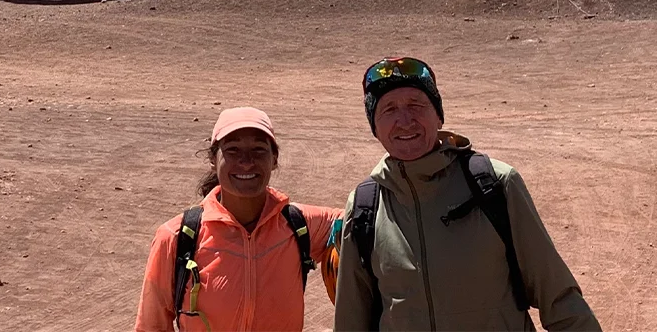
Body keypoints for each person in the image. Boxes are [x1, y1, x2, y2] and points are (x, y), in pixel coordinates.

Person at [334, 57, 601, 331]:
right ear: (374, 127)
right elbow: (351, 320)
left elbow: (559, 298)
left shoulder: (495, 184)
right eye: (389, 109)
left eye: (416, 104)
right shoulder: (365, 205)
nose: (405, 120)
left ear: (438, 115)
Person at [135, 107, 342, 331]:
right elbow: (151, 326)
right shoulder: (177, 238)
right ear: (213, 159)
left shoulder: (299, 225)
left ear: (274, 159)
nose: (246, 161)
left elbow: (360, 215)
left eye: (259, 150)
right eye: (232, 150)